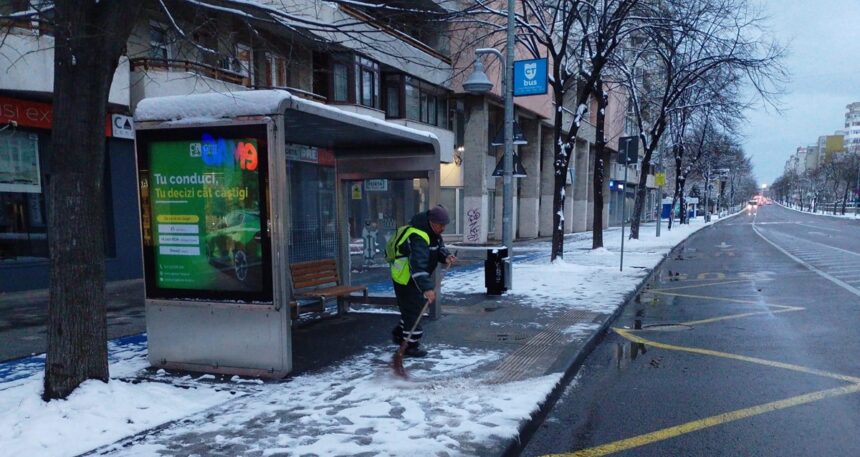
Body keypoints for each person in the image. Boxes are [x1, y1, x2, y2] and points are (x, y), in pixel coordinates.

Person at [389, 205, 457, 358]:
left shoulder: (433, 233)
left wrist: (446, 256)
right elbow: (418, 265)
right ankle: (409, 347)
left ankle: (400, 334)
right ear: (432, 222)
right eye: (441, 225)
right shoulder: (418, 236)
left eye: (444, 225)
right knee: (414, 312)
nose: (443, 228)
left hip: (414, 277)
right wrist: (427, 288)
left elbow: (438, 248)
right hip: (405, 277)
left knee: (414, 309)